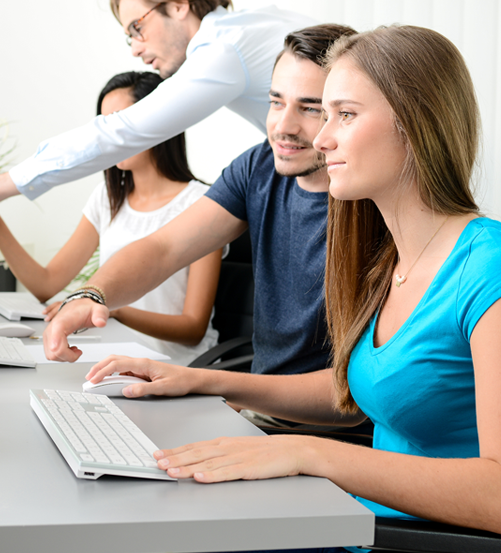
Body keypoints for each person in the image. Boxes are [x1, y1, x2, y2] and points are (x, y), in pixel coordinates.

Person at [68, 25, 501, 553]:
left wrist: (308, 454)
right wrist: (208, 380)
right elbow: (352, 391)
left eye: (343, 115)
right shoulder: (397, 260)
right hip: (363, 531)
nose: (321, 138)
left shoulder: (495, 269)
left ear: (415, 125)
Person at [41, 24, 356, 397]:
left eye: (310, 108)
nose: (283, 127)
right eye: (275, 102)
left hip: (330, 428)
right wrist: (92, 295)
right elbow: (163, 248)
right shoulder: (258, 167)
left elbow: (359, 391)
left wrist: (205, 384)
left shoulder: (372, 198)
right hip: (260, 408)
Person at [0, 0, 315, 221]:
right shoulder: (251, 27)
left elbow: (123, 131)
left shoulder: (224, 49)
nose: (135, 49)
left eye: (137, 28)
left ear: (178, 4)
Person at [0, 71, 221, 362]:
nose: (110, 135)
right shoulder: (107, 199)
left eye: (120, 121)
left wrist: (108, 304)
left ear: (157, 121)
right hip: (113, 355)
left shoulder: (203, 204)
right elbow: (46, 284)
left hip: (175, 366)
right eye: (104, 124)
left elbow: (193, 328)